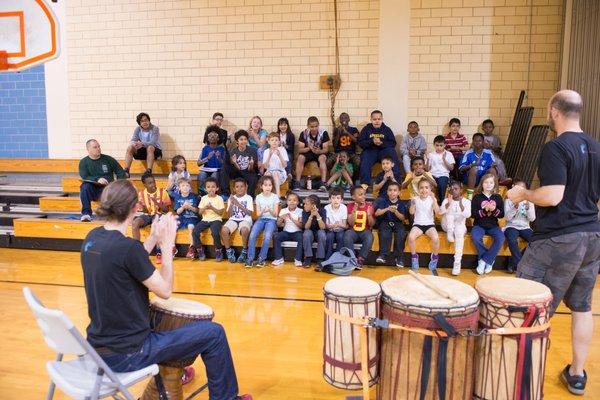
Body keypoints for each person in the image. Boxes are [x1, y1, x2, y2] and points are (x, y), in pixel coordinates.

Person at [81, 180, 252, 400]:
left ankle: (175, 371)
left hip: (97, 349)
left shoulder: (93, 237)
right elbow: (165, 291)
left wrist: (152, 237)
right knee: (214, 333)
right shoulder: (127, 249)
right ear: (135, 207)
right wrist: (167, 246)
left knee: (175, 322)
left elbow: (126, 261)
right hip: (130, 353)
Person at [506, 90, 599, 396]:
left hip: (558, 240)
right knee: (582, 306)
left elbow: (553, 196)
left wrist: (524, 194)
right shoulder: (597, 148)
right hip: (592, 237)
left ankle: (518, 373)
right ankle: (576, 373)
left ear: (555, 111)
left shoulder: (555, 147)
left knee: (527, 303)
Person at [78, 139, 126, 221]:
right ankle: (86, 214)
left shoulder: (108, 159)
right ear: (88, 149)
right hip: (93, 189)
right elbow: (84, 176)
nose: (98, 149)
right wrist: (97, 179)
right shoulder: (83, 162)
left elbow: (120, 172)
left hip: (107, 189)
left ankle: (114, 215)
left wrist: (118, 184)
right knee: (84, 187)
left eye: (99, 146)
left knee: (115, 190)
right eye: (95, 147)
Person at [470, 173, 504, 275]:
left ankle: (484, 260)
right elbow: (473, 214)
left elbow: (501, 214)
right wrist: (484, 210)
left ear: (495, 184)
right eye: (486, 182)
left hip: (493, 226)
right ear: (482, 184)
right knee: (475, 237)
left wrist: (494, 210)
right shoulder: (477, 197)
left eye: (491, 182)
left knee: (501, 238)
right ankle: (488, 259)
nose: (488, 184)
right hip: (479, 225)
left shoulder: (498, 197)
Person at [358, 110, 402, 189]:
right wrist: (372, 141)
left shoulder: (387, 129)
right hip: (371, 151)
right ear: (371, 120)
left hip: (384, 151)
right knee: (365, 156)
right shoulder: (366, 129)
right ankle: (365, 184)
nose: (377, 121)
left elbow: (393, 143)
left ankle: (397, 181)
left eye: (379, 119)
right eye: (374, 119)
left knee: (392, 151)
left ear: (382, 119)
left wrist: (382, 143)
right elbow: (361, 143)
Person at [407, 179, 440, 275]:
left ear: (430, 190)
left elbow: (437, 212)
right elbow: (411, 212)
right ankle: (414, 257)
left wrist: (434, 200)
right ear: (418, 189)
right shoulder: (416, 199)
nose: (424, 190)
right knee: (411, 237)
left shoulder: (431, 199)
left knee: (436, 238)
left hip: (429, 224)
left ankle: (434, 257)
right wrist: (412, 203)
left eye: (426, 188)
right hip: (418, 224)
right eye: (421, 187)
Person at [245, 176, 280, 268]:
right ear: (261, 186)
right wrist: (263, 211)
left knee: (267, 236)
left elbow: (275, 214)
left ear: (272, 186)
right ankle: (250, 259)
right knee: (252, 235)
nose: (268, 187)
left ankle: (261, 258)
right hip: (261, 219)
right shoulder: (258, 197)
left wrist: (270, 210)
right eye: (265, 185)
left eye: (270, 185)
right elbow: (258, 214)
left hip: (271, 220)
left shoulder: (275, 197)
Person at [132, 172, 171, 252]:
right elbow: (145, 211)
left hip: (160, 215)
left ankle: (159, 252)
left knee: (156, 224)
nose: (153, 184)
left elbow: (166, 210)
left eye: (153, 182)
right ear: (144, 184)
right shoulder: (141, 194)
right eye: (150, 183)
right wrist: (142, 206)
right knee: (135, 223)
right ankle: (137, 250)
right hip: (148, 215)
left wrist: (157, 202)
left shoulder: (162, 192)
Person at [439, 180, 471, 275]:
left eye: (456, 189)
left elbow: (468, 215)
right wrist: (448, 203)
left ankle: (457, 263)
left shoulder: (466, 201)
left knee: (459, 233)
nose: (454, 190)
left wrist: (461, 205)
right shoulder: (446, 200)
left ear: (461, 190)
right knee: (450, 214)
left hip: (459, 225)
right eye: (452, 189)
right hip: (446, 225)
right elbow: (440, 212)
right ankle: (450, 231)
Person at [503, 179, 535, 273]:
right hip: (511, 226)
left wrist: (528, 208)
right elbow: (507, 218)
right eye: (517, 188)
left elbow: (532, 219)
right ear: (513, 187)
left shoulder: (529, 201)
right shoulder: (508, 200)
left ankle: (514, 262)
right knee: (512, 239)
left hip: (525, 227)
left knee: (536, 240)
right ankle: (520, 264)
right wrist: (514, 208)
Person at [191, 177, 225, 261]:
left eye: (213, 187)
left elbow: (220, 213)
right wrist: (205, 207)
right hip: (205, 220)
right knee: (195, 232)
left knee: (215, 233)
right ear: (205, 189)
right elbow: (200, 212)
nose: (211, 189)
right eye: (208, 187)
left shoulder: (219, 198)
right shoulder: (204, 198)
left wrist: (212, 208)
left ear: (217, 188)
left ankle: (218, 250)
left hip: (216, 220)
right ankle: (200, 250)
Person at [374, 182, 407, 268]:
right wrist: (387, 209)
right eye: (390, 190)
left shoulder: (401, 203)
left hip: (398, 223)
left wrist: (396, 212)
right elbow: (377, 213)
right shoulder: (383, 201)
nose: (392, 192)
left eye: (395, 190)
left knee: (401, 233)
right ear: (387, 192)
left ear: (399, 192)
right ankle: (382, 255)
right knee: (384, 232)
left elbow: (403, 218)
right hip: (385, 221)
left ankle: (399, 257)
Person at [221, 178, 254, 264]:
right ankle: (229, 251)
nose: (239, 189)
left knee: (244, 230)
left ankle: (244, 251)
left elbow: (249, 213)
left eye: (242, 186)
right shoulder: (231, 198)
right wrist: (232, 203)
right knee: (224, 230)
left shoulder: (248, 198)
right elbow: (229, 215)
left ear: (246, 187)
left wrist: (238, 204)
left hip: (245, 219)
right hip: (233, 219)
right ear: (234, 188)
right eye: (237, 187)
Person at [294, 116, 330, 191]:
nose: (314, 128)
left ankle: (323, 183)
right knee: (300, 158)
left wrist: (319, 151)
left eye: (316, 126)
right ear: (308, 126)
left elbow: (326, 149)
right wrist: (309, 148)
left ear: (318, 125)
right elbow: (300, 150)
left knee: (322, 158)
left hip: (319, 152)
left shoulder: (323, 133)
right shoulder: (304, 133)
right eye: (312, 126)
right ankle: (297, 183)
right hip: (308, 152)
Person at [343, 186, 375, 269]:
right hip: (353, 230)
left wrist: (369, 215)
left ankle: (361, 259)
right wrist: (354, 211)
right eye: (360, 195)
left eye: (364, 194)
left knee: (370, 237)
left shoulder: (369, 206)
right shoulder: (350, 206)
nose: (363, 196)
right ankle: (352, 258)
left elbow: (371, 224)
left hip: (365, 230)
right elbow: (350, 223)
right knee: (347, 235)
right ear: (353, 197)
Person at [272, 192, 304, 267]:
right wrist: (281, 218)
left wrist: (292, 219)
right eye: (289, 200)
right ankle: (279, 258)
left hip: (297, 232)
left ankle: (298, 259)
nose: (292, 202)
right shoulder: (283, 210)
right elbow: (278, 224)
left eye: (294, 200)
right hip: (286, 232)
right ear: (287, 202)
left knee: (302, 238)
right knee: (276, 237)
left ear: (298, 202)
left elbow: (300, 225)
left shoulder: (300, 211)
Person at [327, 112, 361, 181]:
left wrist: (347, 133)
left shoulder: (354, 129)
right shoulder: (336, 130)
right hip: (339, 152)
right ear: (340, 120)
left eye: (345, 117)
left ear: (349, 119)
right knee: (328, 162)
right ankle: (334, 179)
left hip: (351, 153)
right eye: (342, 118)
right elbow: (335, 146)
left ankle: (354, 180)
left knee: (359, 163)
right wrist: (338, 134)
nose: (343, 119)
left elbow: (356, 141)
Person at [172, 179, 200, 257]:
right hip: (182, 217)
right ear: (179, 188)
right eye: (183, 186)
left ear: (190, 187)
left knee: (191, 227)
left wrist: (190, 207)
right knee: (173, 226)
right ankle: (172, 247)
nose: (185, 187)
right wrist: (183, 207)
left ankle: (192, 247)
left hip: (192, 217)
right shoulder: (178, 197)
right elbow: (177, 212)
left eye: (187, 185)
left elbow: (196, 210)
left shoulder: (193, 196)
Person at [229, 130, 259, 196]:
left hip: (248, 171)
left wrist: (251, 164)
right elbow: (237, 169)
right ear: (237, 141)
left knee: (253, 178)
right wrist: (235, 163)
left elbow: (250, 169)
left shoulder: (252, 150)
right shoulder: (233, 151)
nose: (243, 141)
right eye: (241, 139)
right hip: (238, 172)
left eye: (245, 139)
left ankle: (250, 197)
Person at [198, 126, 226, 195]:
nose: (212, 137)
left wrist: (219, 157)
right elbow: (198, 163)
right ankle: (202, 194)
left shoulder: (222, 149)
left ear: (218, 138)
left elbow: (224, 164)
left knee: (215, 176)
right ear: (207, 138)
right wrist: (207, 158)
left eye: (214, 135)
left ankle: (214, 194)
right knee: (202, 175)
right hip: (206, 170)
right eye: (210, 135)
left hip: (217, 170)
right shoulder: (205, 148)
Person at [301, 194, 328, 269]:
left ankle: (320, 259)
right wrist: (311, 216)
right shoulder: (304, 212)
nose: (304, 205)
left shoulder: (323, 211)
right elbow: (306, 227)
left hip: (319, 231)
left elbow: (322, 227)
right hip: (310, 232)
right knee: (307, 233)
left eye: (306, 204)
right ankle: (308, 258)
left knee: (322, 234)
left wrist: (317, 215)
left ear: (313, 205)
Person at [427, 135, 455, 204]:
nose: (439, 147)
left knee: (442, 185)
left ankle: (442, 203)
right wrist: (427, 160)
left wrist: (444, 160)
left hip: (443, 175)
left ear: (444, 145)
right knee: (427, 184)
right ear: (434, 145)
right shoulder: (431, 154)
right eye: (437, 145)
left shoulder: (449, 154)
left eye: (441, 145)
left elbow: (451, 168)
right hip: (432, 175)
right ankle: (430, 203)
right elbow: (427, 169)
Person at [262, 133, 289, 198]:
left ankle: (277, 196)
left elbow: (285, 165)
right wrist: (269, 155)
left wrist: (279, 155)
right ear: (268, 141)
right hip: (269, 172)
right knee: (267, 175)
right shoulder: (266, 151)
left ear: (279, 142)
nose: (274, 142)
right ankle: (266, 196)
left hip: (281, 173)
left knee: (275, 173)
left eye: (276, 140)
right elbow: (265, 167)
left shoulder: (282, 150)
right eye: (272, 140)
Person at [324, 187, 348, 260]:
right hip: (330, 229)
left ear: (342, 200)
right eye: (333, 198)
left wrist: (339, 225)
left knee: (341, 236)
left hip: (340, 229)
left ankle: (338, 258)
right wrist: (332, 226)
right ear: (329, 199)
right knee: (329, 237)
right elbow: (326, 225)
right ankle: (328, 258)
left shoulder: (344, 208)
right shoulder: (326, 208)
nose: (335, 200)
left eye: (338, 198)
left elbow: (344, 225)